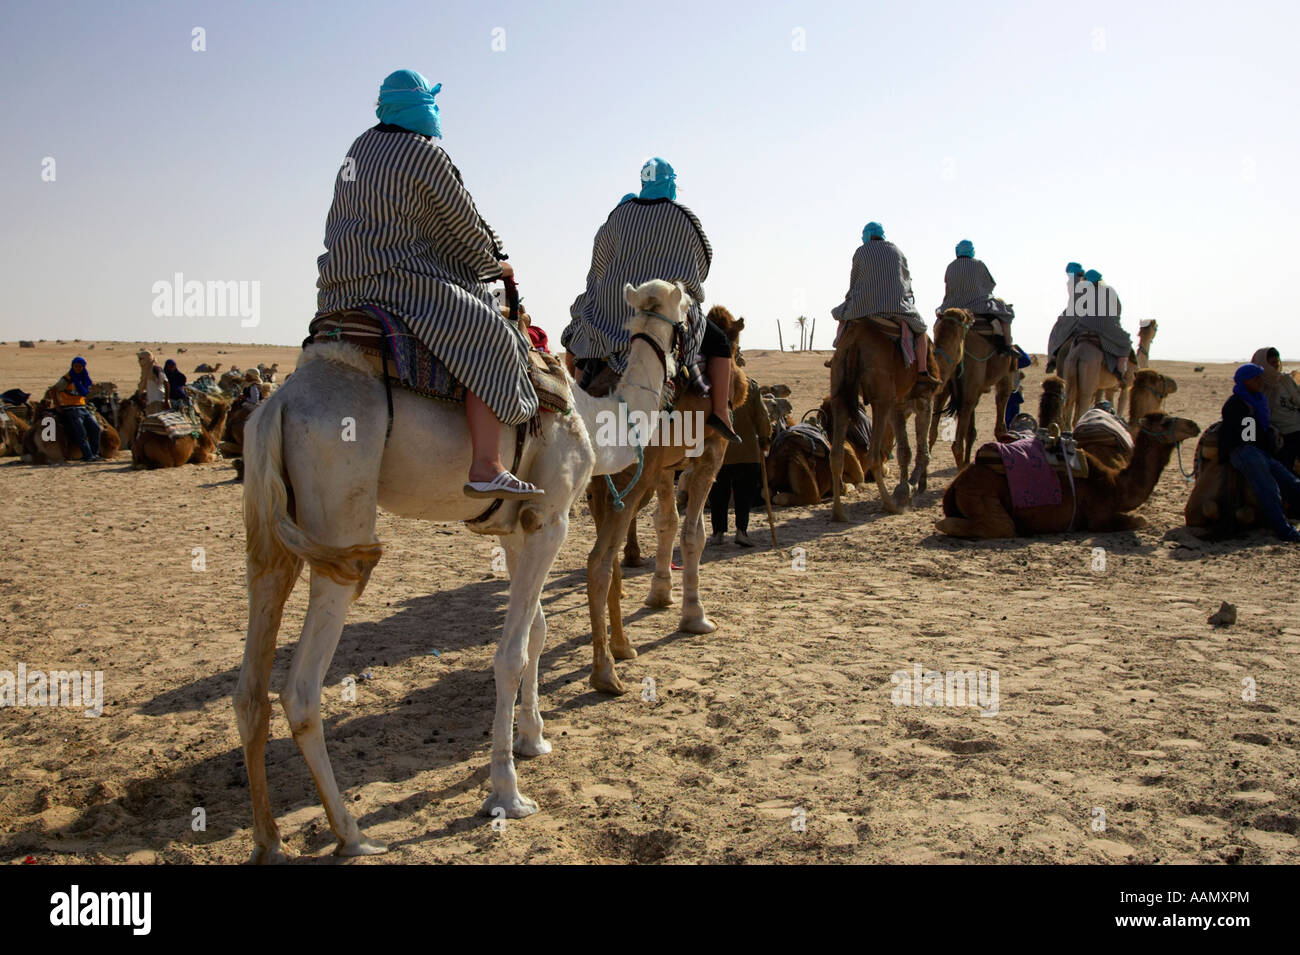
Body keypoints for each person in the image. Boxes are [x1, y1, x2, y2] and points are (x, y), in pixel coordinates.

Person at [316, 69, 541, 500]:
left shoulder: (358, 147)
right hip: (399, 282)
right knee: (491, 333)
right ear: (423, 107)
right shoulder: (423, 153)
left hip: (340, 286)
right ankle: (486, 465)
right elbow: (463, 222)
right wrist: (496, 264)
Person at [561, 158, 740, 442]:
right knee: (719, 343)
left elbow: (598, 263)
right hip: (665, 312)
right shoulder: (682, 216)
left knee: (580, 333)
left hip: (613, 316)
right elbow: (704, 261)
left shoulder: (618, 215)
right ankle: (720, 413)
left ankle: (571, 402)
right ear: (669, 183)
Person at [830, 222, 937, 390]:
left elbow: (855, 280)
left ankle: (838, 357)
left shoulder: (861, 251)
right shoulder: (897, 251)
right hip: (895, 307)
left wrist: (853, 299)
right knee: (921, 331)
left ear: (866, 235)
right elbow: (905, 279)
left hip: (862, 306)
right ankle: (923, 372)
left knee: (842, 320)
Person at [1219, 363, 1300, 542]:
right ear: (1246, 381)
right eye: (1256, 378)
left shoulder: (1258, 400)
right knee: (1268, 489)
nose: (1260, 381)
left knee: (1292, 482)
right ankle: (1285, 531)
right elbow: (1247, 435)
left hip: (1257, 450)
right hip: (1244, 451)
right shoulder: (1237, 404)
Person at [707, 376, 772, 547]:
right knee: (744, 494)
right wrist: (765, 437)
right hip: (747, 451)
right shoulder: (750, 385)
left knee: (718, 494)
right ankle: (741, 531)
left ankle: (718, 533)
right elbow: (762, 415)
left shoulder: (711, 380)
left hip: (718, 451)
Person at [937, 239, 1015, 353]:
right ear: (972, 251)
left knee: (938, 323)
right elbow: (990, 285)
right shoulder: (979, 265)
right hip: (979, 305)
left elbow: (948, 286)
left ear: (957, 251)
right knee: (1007, 313)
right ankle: (1007, 345)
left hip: (952, 305)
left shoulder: (950, 266)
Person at [1251, 347, 1300, 471]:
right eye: (1271, 363)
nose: (1275, 367)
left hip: (1292, 426)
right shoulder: (1255, 382)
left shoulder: (1285, 381)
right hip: (1269, 428)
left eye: (1276, 363)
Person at [51, 357, 102, 462]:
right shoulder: (67, 379)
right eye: (76, 366)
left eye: (80, 366)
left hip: (82, 407)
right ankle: (88, 455)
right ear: (72, 366)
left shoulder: (84, 378)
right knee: (81, 432)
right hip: (70, 408)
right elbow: (53, 390)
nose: (78, 368)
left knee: (95, 428)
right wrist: (57, 405)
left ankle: (94, 454)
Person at [1045, 262, 1087, 373]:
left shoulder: (1073, 281)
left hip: (1076, 312)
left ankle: (1052, 359)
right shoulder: (1090, 281)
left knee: (1056, 332)